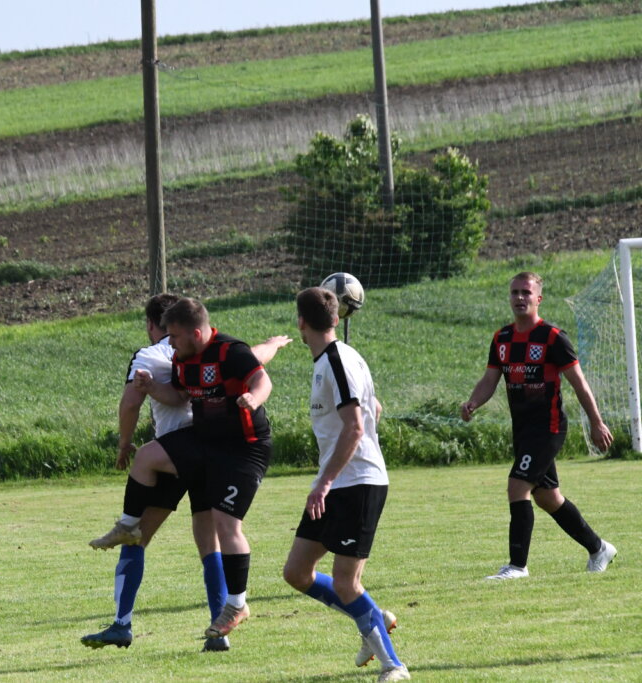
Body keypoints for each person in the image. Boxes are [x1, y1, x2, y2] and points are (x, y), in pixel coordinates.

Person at [83, 294, 291, 652]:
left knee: (157, 532)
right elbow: (186, 391)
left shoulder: (161, 353)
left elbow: (131, 403)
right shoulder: (183, 356)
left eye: (174, 336)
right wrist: (273, 344)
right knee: (207, 540)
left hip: (210, 451)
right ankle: (220, 631)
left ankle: (125, 620)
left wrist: (124, 442)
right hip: (204, 446)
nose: (170, 343)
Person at [281, 287, 409, 683]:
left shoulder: (338, 361)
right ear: (336, 319)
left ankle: (394, 665)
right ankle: (372, 616)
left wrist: (325, 481)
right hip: (337, 483)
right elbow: (374, 409)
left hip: (357, 484)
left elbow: (355, 427)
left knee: (345, 581)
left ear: (301, 322)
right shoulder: (333, 359)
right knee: (297, 572)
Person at [461, 271, 616, 580]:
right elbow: (490, 379)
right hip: (522, 429)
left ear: (538, 299)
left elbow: (580, 384)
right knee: (547, 497)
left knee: (517, 486)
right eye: (515, 292)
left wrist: (596, 422)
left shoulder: (553, 337)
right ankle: (599, 548)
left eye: (526, 293)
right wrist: (473, 402)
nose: (520, 297)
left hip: (549, 427)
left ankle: (517, 566)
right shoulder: (502, 339)